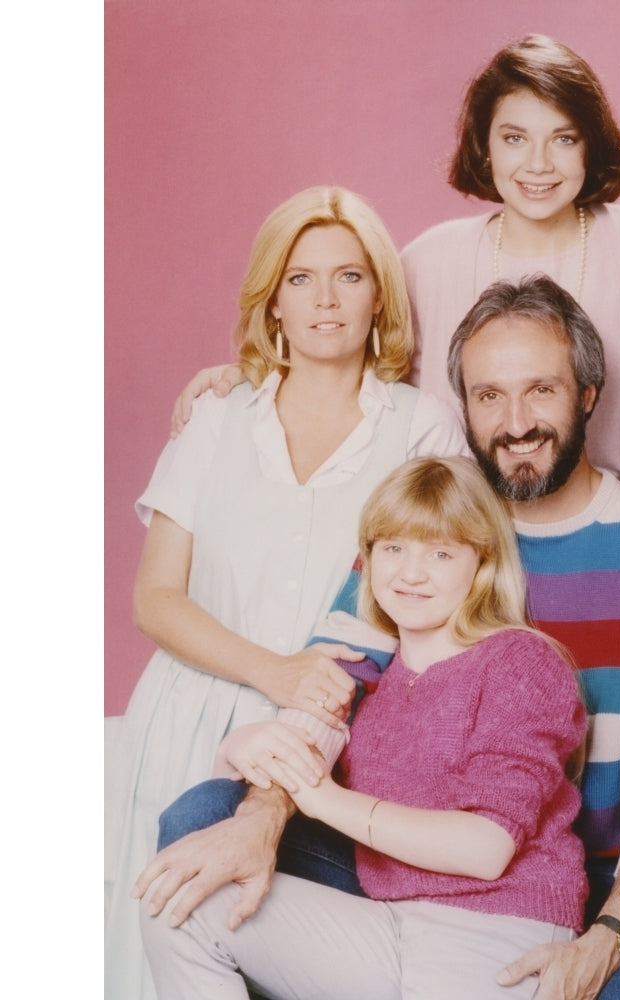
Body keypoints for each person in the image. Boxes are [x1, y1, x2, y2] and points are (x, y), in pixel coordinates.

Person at [135, 274, 620, 1000]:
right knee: (204, 823)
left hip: (578, 877)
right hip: (385, 852)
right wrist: (264, 816)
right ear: (466, 409)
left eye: (541, 389)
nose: (516, 421)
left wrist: (612, 930)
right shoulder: (422, 534)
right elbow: (336, 681)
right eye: (488, 396)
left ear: (588, 393)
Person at [167, 34, 620, 498]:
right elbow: (356, 385)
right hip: (470, 562)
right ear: (484, 147)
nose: (537, 166)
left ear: (590, 146)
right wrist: (254, 376)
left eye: (562, 139)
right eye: (514, 138)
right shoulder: (427, 261)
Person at [105, 185, 467, 1000]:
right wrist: (274, 671)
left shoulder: (423, 429)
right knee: (164, 952)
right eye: (300, 279)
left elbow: (440, 600)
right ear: (272, 301)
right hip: (187, 724)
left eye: (348, 276)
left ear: (380, 295)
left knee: (300, 961)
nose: (325, 300)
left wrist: (305, 696)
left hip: (343, 739)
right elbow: (154, 599)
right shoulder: (216, 418)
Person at [139, 455, 588, 1000]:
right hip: (393, 929)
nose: (411, 572)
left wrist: (320, 795)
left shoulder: (521, 661)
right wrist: (242, 746)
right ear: (369, 558)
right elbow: (241, 794)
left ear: (482, 563)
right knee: (180, 903)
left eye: (441, 552)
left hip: (498, 936)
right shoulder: (380, 680)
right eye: (393, 547)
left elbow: (486, 848)